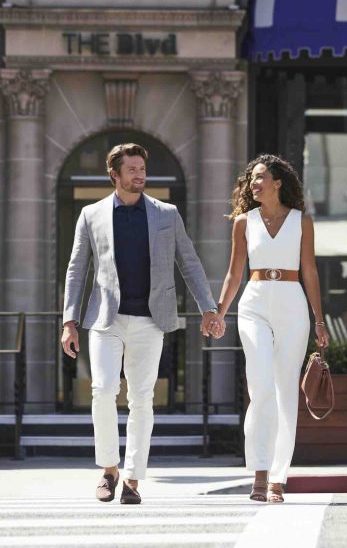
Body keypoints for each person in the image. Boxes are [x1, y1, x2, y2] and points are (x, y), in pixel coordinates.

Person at [60, 143, 224, 505]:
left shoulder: (167, 214)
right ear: (114, 175)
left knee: (141, 399)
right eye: (131, 169)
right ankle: (108, 470)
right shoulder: (91, 215)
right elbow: (76, 270)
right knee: (102, 390)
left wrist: (209, 308)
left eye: (142, 169)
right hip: (106, 318)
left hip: (151, 319)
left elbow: (190, 263)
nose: (139, 174)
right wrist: (69, 320)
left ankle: (133, 479)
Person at [215, 155, 329, 504]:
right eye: (251, 178)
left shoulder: (301, 222)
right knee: (261, 386)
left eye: (261, 177)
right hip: (255, 303)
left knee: (285, 394)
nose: (254, 183)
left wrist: (319, 319)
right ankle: (260, 473)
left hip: (292, 303)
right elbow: (235, 273)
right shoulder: (243, 223)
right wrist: (219, 312)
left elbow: (309, 270)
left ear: (278, 182)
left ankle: (279, 478)